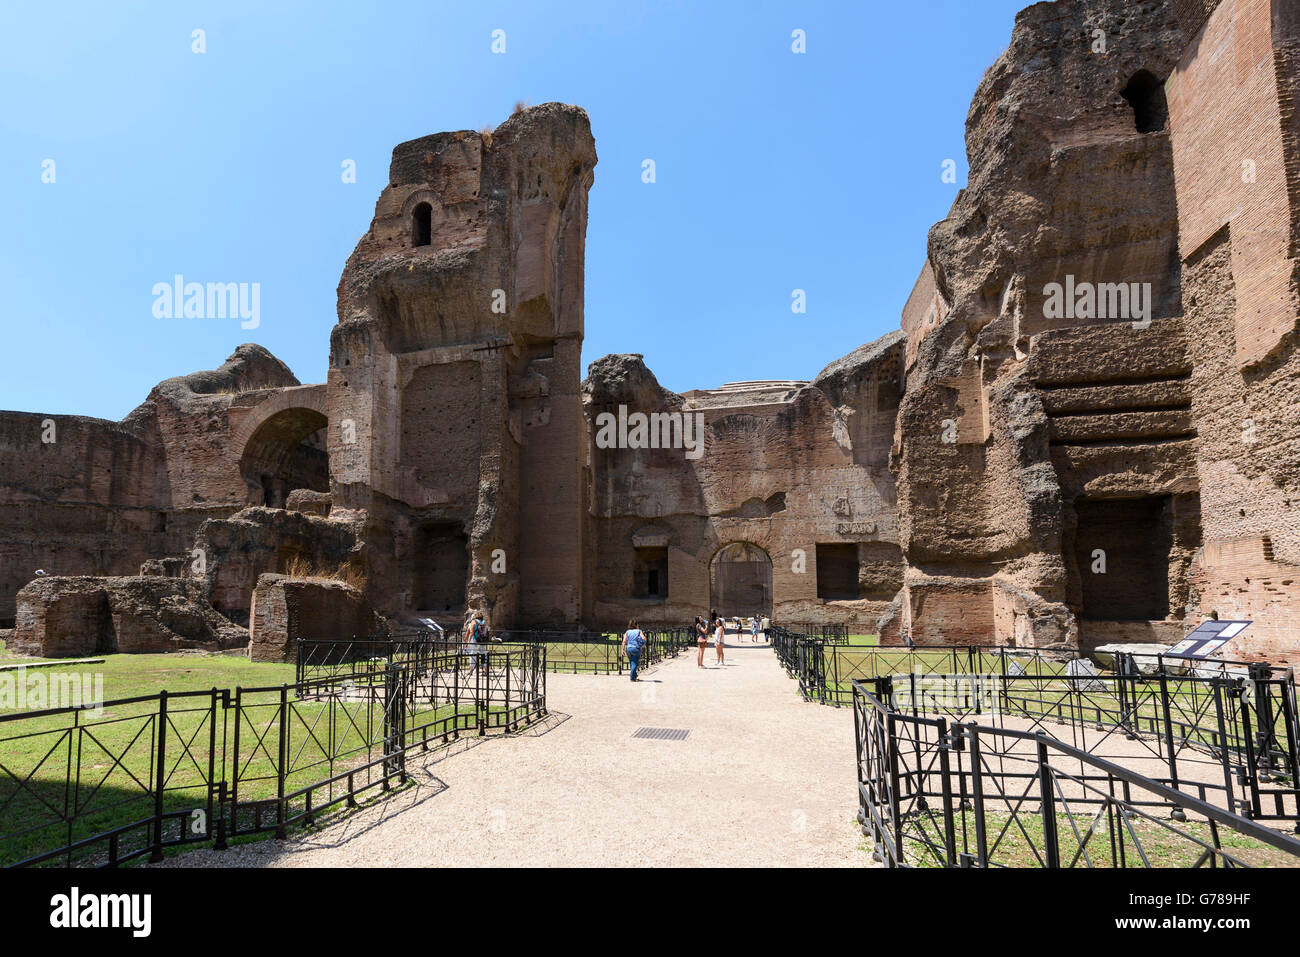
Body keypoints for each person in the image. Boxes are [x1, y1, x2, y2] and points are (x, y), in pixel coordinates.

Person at [463, 609, 489, 675]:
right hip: (484, 641)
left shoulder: (473, 622)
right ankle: (484, 670)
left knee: (472, 655)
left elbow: (471, 633)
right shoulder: (484, 622)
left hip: (475, 641)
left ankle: (471, 670)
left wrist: (468, 642)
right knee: (484, 655)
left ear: (475, 616)